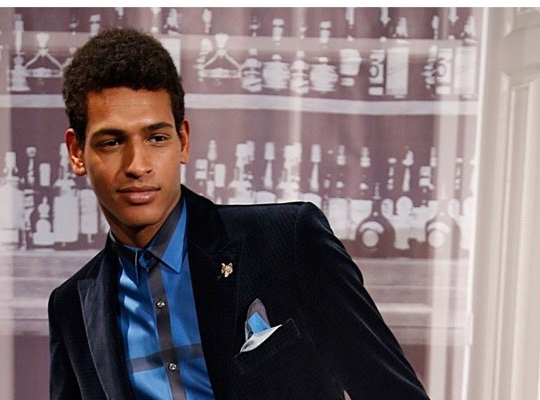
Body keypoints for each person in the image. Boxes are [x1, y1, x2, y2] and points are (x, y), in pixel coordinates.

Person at [48, 27, 429, 400]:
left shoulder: (288, 242)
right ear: (77, 152)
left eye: (156, 138)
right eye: (112, 142)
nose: (137, 164)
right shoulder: (71, 309)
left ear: (183, 141)